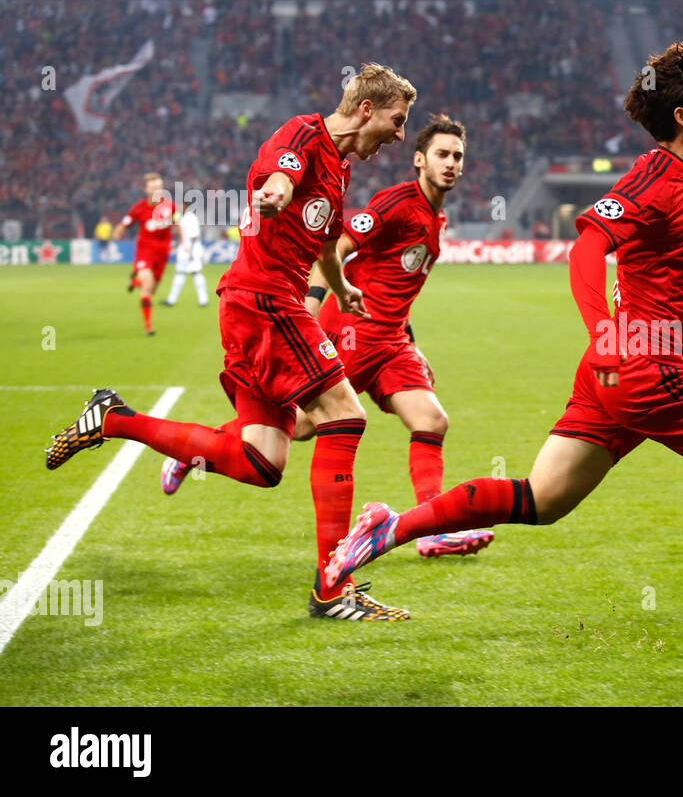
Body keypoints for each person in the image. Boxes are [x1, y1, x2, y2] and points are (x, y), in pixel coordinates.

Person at [325, 43, 683, 649]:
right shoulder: (652, 179)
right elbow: (585, 248)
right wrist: (604, 329)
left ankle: (389, 529)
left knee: (542, 499)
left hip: (614, 374)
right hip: (645, 363)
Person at [45, 64, 418, 622]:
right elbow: (278, 179)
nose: (399, 134)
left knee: (261, 461)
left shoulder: (339, 168)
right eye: (397, 120)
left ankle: (112, 419)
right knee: (345, 415)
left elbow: (320, 245)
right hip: (267, 301)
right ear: (368, 109)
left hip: (252, 302)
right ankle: (332, 588)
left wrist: (344, 287)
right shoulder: (301, 135)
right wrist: (272, 195)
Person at [163, 114, 494, 559]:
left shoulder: (437, 220)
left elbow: (397, 287)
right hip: (353, 334)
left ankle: (431, 526)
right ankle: (197, 449)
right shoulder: (396, 203)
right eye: (441, 154)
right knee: (299, 427)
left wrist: (411, 341)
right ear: (419, 160)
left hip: (392, 341)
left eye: (457, 156)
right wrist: (313, 307)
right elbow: (334, 249)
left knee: (432, 420)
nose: (451, 163)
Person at [113, 173, 174, 335]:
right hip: (144, 253)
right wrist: (117, 232)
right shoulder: (139, 208)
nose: (156, 190)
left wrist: (185, 243)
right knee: (147, 288)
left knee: (151, 290)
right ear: (146, 190)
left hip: (162, 254)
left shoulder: (170, 206)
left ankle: (135, 281)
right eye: (153, 187)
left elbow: (179, 223)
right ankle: (148, 326)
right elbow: (125, 223)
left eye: (158, 187)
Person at [162, 203, 209, 307]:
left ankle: (203, 300)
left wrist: (191, 252)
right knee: (181, 272)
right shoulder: (180, 217)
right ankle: (171, 300)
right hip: (184, 248)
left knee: (196, 272)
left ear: (186, 206)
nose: (179, 208)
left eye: (182, 205)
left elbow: (194, 236)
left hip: (191, 249)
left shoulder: (191, 218)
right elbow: (182, 235)